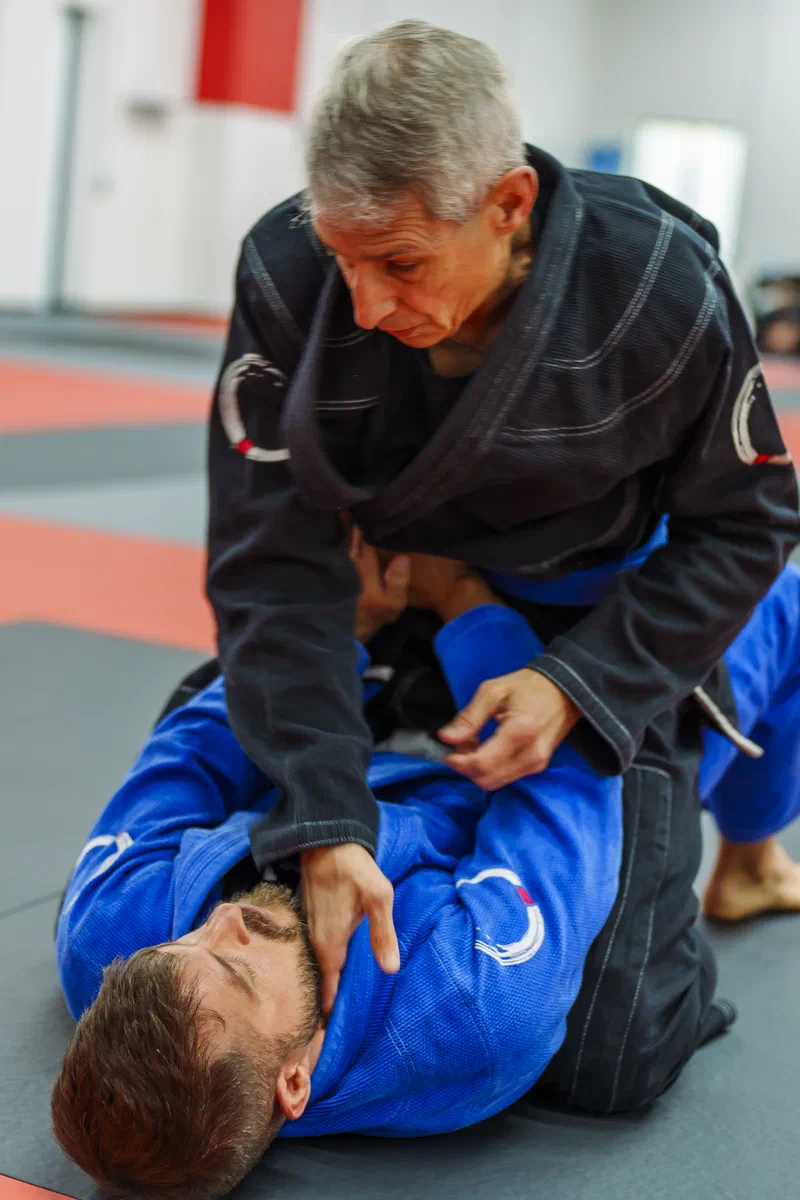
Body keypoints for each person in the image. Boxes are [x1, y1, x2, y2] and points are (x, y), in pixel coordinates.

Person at [204, 20, 800, 1029]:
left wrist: (581, 683)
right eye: (340, 255)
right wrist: (322, 810)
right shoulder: (285, 274)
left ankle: (750, 853)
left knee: (616, 1030)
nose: (364, 302)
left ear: (508, 204)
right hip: (394, 595)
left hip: (604, 592)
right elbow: (269, 559)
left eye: (398, 260)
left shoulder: (654, 287)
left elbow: (744, 525)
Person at [52, 550, 800, 1199]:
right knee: (617, 1030)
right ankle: (753, 841)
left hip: (356, 734)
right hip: (494, 784)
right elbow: (561, 785)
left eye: (181, 941)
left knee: (217, 695)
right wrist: (464, 601)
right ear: (294, 1081)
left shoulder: (108, 941)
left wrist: (335, 630)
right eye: (239, 968)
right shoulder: (471, 1006)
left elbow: (188, 755)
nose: (228, 921)